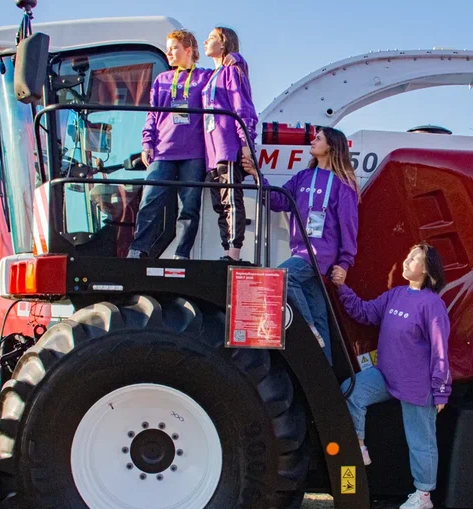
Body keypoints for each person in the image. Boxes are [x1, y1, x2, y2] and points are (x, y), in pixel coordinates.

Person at [334, 244, 451, 509]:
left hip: (416, 385)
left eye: (414, 259)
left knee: (420, 440)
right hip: (384, 375)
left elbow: (440, 351)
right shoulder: (396, 295)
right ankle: (360, 446)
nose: (406, 261)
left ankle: (424, 493)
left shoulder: (432, 305)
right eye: (408, 256)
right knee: (351, 391)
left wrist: (441, 392)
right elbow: (364, 312)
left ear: (428, 270)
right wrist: (342, 288)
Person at [264, 127, 358, 361]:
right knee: (319, 316)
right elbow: (277, 201)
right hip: (301, 251)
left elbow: (349, 225)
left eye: (319, 138)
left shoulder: (343, 184)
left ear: (331, 146)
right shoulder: (303, 177)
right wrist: (258, 178)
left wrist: (345, 263)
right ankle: (325, 376)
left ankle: (307, 332)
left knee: (283, 276)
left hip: (321, 255)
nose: (313, 141)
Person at [129, 30, 211, 260]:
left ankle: (182, 255)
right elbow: (152, 115)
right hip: (163, 151)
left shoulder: (205, 77)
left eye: (173, 47)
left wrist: (235, 59)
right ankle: (138, 249)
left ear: (188, 50)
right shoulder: (162, 79)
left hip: (193, 154)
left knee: (189, 207)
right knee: (150, 199)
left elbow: (229, 78)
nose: (168, 52)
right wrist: (147, 143)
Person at [201, 26, 258, 261]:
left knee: (230, 199)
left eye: (211, 38)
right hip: (211, 151)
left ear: (223, 44)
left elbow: (242, 107)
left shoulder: (232, 70)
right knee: (219, 203)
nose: (205, 42)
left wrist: (245, 142)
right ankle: (227, 250)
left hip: (228, 145)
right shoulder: (211, 75)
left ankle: (233, 252)